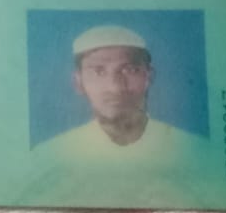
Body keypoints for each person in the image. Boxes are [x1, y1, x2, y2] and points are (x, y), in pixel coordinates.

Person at [34, 25, 203, 165]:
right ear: (78, 83)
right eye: (98, 71)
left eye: (130, 70)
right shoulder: (52, 156)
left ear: (149, 77)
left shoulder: (193, 151)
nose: (115, 87)